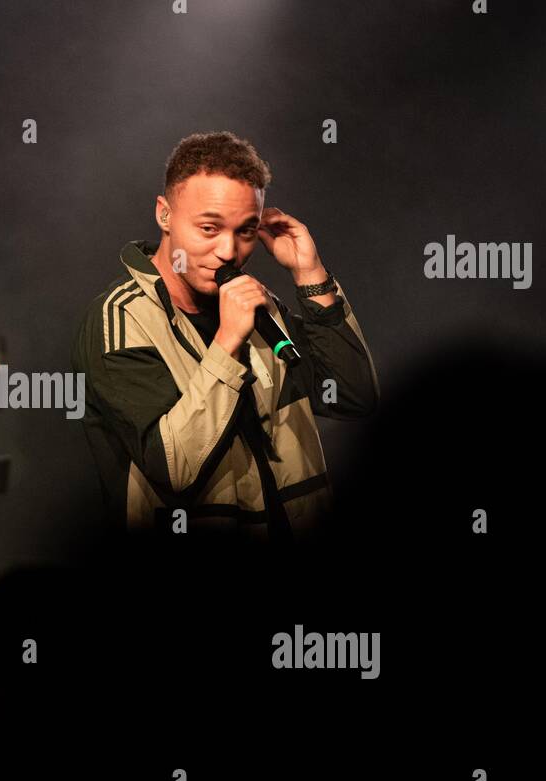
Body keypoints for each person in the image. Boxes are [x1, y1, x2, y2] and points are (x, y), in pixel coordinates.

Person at [71, 131, 378, 545]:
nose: (228, 250)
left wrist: (309, 275)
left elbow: (352, 396)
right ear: (164, 215)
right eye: (209, 228)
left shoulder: (257, 305)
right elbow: (174, 469)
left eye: (246, 231)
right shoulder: (121, 318)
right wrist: (228, 342)